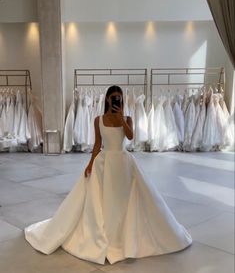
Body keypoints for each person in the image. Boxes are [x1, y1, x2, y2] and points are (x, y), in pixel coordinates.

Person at [25, 85, 192, 265]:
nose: (116, 101)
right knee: (102, 198)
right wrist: (90, 163)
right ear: (107, 100)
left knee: (124, 199)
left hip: (124, 164)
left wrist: (122, 119)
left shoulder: (127, 118)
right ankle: (103, 233)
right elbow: (97, 144)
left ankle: (124, 235)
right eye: (113, 98)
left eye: (119, 98)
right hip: (104, 164)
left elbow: (130, 137)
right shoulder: (98, 120)